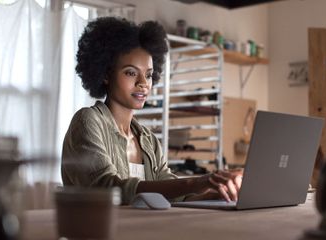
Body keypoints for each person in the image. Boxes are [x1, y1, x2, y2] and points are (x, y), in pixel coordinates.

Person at [61, 17, 242, 204]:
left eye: (148, 75)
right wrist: (199, 181)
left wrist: (219, 193)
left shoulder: (148, 139)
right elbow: (109, 188)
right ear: (106, 74)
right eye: (131, 72)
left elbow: (177, 197)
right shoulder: (88, 121)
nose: (143, 84)